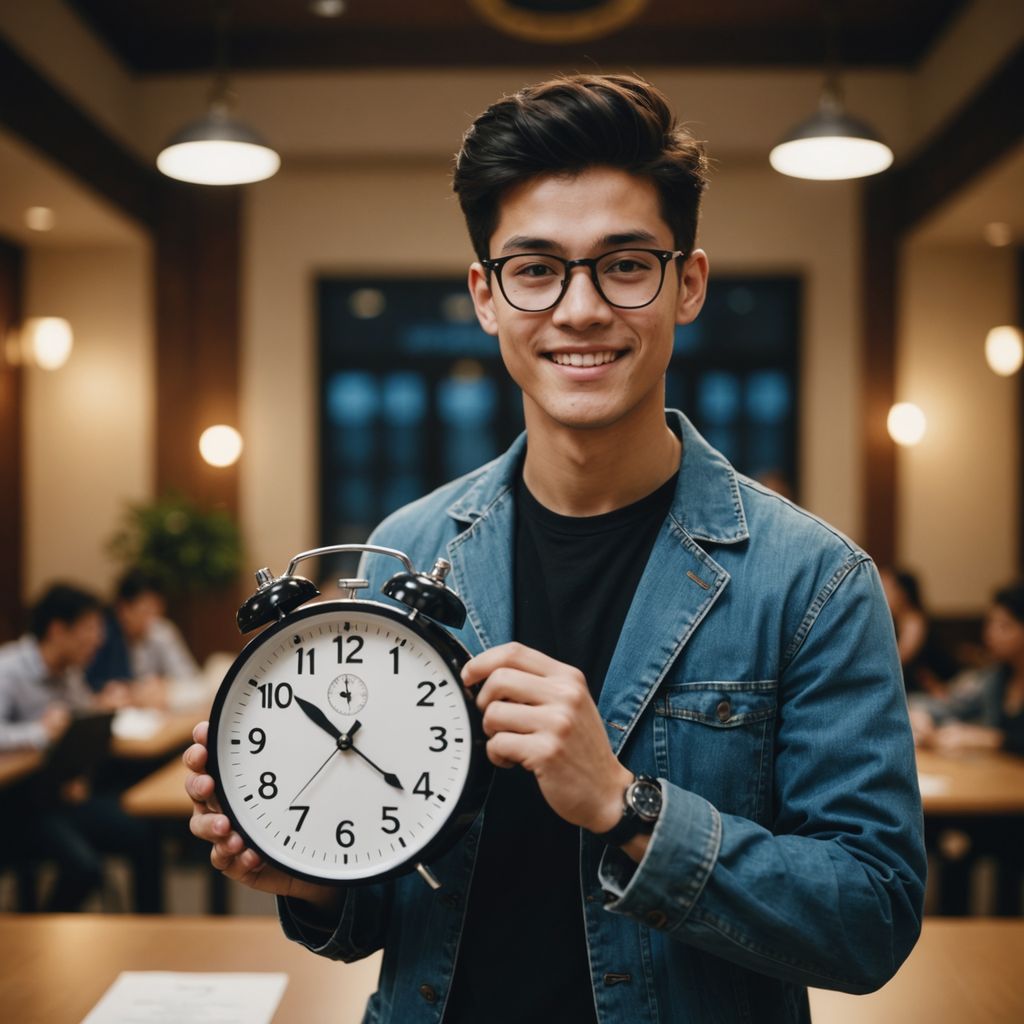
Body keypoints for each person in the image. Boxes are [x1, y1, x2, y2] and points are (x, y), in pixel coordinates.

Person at [185, 73, 925, 1022]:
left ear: (686, 284)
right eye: (536, 269)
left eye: (624, 264)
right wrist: (302, 872)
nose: (578, 310)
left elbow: (871, 915)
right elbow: (383, 903)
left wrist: (627, 806)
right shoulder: (409, 551)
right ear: (487, 297)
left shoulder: (813, 583)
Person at [0, 583, 156, 911]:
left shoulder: (69, 672)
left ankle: (155, 932)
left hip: (60, 795)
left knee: (144, 836)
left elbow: (80, 716)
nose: (98, 638)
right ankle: (41, 935)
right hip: (19, 805)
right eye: (89, 628)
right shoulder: (8, 669)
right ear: (58, 630)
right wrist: (39, 732)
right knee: (84, 867)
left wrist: (104, 706)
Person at [909, 581, 1024, 756]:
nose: (990, 634)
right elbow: (951, 705)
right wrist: (921, 714)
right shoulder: (996, 678)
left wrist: (996, 739)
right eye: (990, 623)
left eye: (1004, 626)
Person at [87, 567, 202, 711]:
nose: (152, 617)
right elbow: (90, 688)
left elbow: (190, 680)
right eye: (145, 610)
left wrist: (165, 686)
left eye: (157, 609)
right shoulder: (103, 636)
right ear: (123, 609)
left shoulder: (161, 631)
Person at [879, 565, 957, 697]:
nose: (879, 594)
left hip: (938, 690)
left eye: (884, 588)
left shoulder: (914, 621)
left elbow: (896, 661)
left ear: (902, 594)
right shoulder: (896, 621)